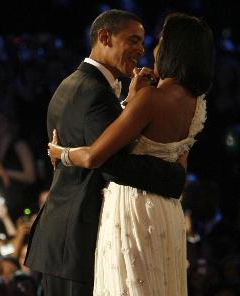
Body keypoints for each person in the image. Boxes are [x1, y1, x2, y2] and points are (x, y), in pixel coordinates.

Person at [25, 9, 188, 296]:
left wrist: (127, 104)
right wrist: (174, 176)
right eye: (133, 40)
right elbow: (114, 165)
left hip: (63, 236)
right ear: (104, 37)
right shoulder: (95, 93)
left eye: (143, 42)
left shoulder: (73, 83)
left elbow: (102, 138)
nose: (141, 50)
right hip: (77, 238)